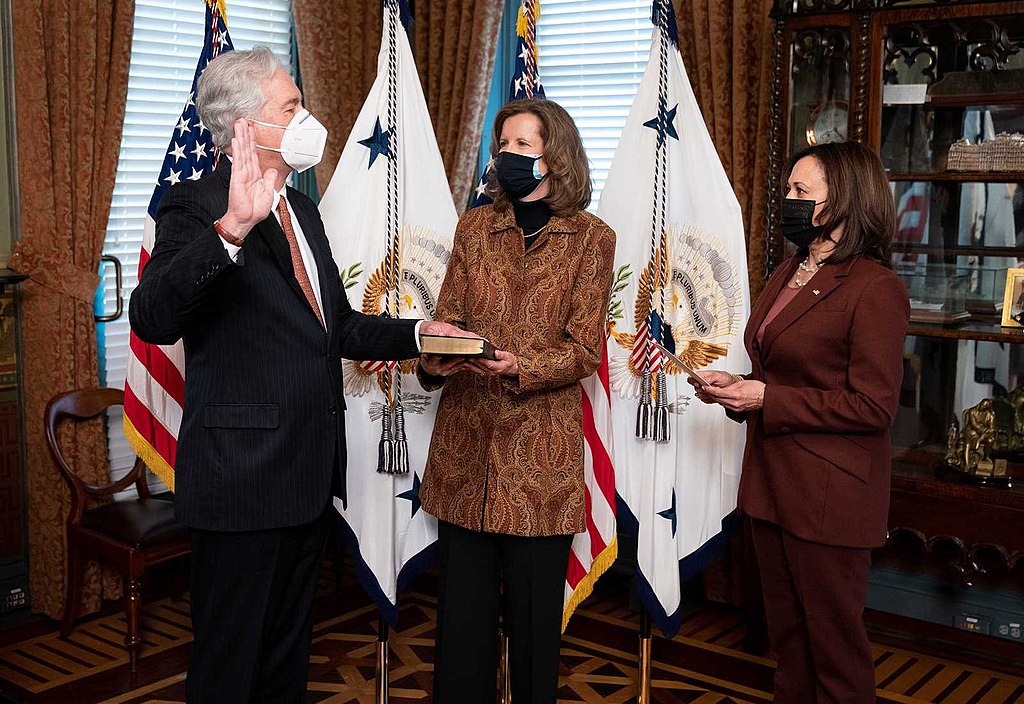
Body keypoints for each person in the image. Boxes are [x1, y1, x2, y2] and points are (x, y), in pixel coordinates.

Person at [129, 47, 465, 702]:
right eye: (292, 107)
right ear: (247, 128)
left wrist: (423, 333)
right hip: (240, 482)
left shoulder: (302, 211)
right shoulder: (194, 207)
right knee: (230, 667)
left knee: (285, 662)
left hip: (308, 476)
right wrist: (231, 229)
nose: (308, 117)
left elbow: (335, 328)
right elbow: (151, 317)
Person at [689, 141, 910, 703]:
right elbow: (776, 366)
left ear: (844, 201)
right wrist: (737, 389)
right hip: (772, 488)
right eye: (787, 189)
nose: (786, 199)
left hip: (830, 499)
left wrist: (769, 399)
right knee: (789, 650)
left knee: (834, 657)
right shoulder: (790, 269)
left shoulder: (875, 287)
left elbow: (873, 406)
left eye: (800, 191)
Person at [416, 98, 616, 704]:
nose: (510, 156)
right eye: (504, 144)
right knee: (460, 632)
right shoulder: (475, 227)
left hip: (539, 464)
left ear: (557, 156)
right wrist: (433, 352)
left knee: (534, 634)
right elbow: (448, 315)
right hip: (465, 456)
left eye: (525, 146)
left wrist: (518, 366)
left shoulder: (591, 239)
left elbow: (585, 349)